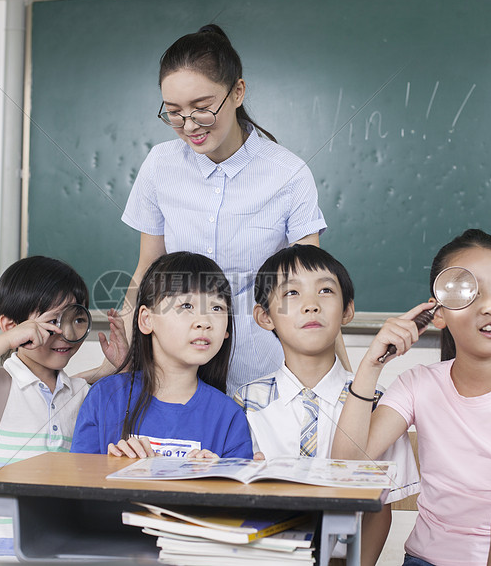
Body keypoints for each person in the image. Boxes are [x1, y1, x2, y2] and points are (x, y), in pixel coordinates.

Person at [118, 24, 351, 395]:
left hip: (262, 370)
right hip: (177, 371)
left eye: (202, 109)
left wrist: (343, 380)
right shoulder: (160, 165)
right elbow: (149, 266)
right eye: (174, 112)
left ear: (237, 92)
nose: (189, 125)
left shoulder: (287, 174)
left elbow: (311, 284)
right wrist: (124, 355)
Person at [332, 229, 491, 566]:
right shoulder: (416, 385)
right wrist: (371, 365)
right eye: (469, 294)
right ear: (438, 313)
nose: (490, 306)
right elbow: (346, 467)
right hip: (428, 559)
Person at [0, 256, 125, 560]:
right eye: (51, 322)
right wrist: (6, 340)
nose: (65, 333)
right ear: (12, 326)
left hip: (62, 544)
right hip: (0, 549)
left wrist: (108, 370)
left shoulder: (79, 392)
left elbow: (77, 389)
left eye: (76, 319)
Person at [234, 244, 420, 566]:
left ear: (347, 310)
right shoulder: (243, 406)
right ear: (265, 317)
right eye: (292, 293)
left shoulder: (379, 403)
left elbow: (380, 511)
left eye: (325, 290)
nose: (310, 305)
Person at [71, 251, 253, 459]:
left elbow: (236, 489)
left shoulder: (230, 416)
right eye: (186, 305)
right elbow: (78, 485)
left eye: (217, 307)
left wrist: (211, 482)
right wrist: (117, 469)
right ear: (147, 320)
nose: (204, 321)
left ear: (227, 329)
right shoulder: (105, 397)